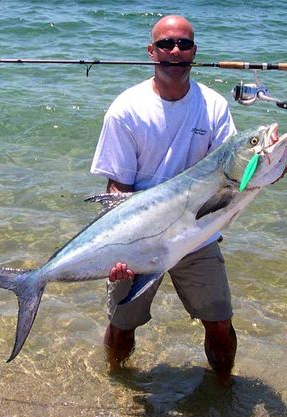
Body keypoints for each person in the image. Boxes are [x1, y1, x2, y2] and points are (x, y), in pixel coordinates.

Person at [90, 15, 238, 385]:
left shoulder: (214, 106)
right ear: (151, 51)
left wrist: (268, 171)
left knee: (220, 323)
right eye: (166, 44)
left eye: (183, 44)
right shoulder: (126, 108)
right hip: (139, 238)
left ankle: (224, 391)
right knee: (121, 326)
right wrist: (120, 249)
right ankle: (118, 386)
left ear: (194, 52)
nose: (175, 51)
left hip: (196, 236)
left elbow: (232, 176)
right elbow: (117, 188)